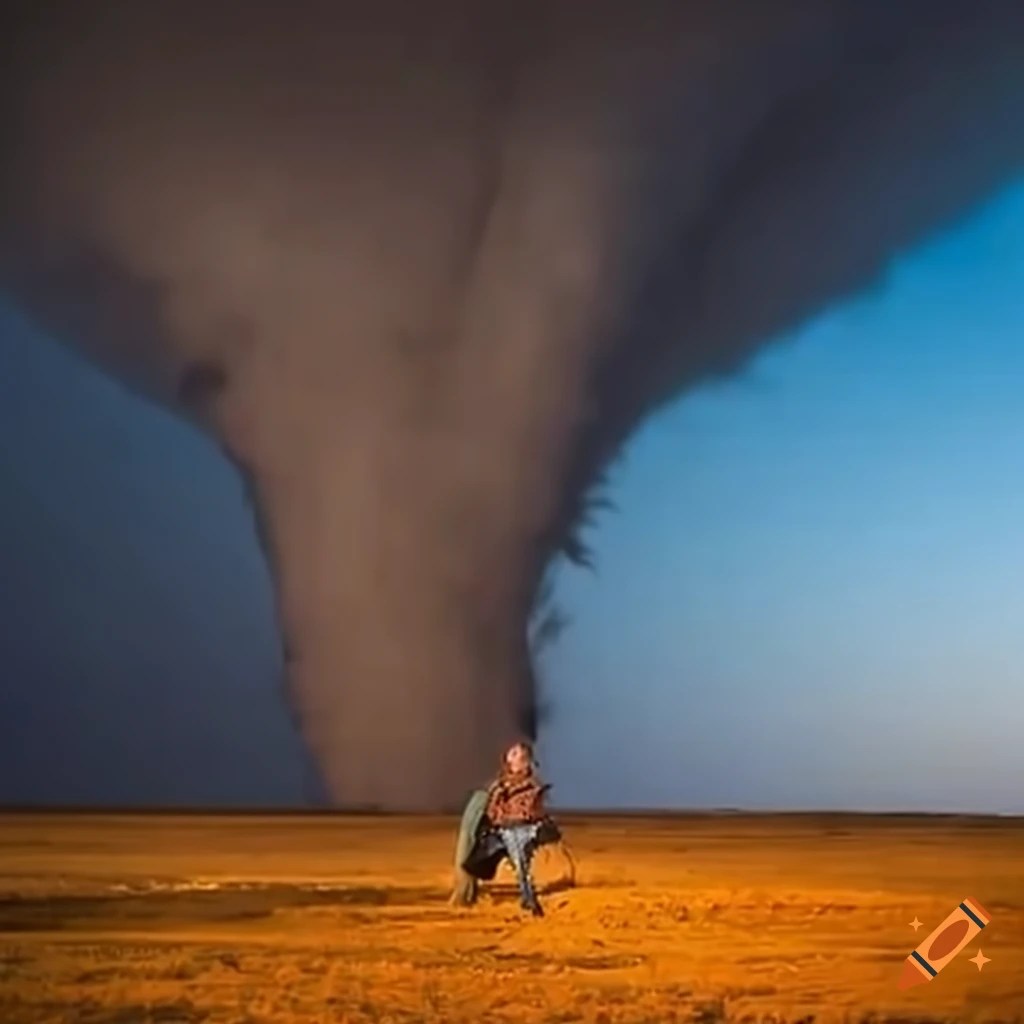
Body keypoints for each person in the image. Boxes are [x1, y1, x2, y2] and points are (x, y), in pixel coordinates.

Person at [483, 740, 551, 916]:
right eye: (512, 754)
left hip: (524, 829)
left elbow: (536, 808)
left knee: (521, 864)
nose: (512, 757)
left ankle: (529, 898)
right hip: (507, 829)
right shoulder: (501, 786)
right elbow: (492, 809)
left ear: (525, 761)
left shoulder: (532, 785)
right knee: (520, 865)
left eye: (516, 754)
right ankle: (527, 897)